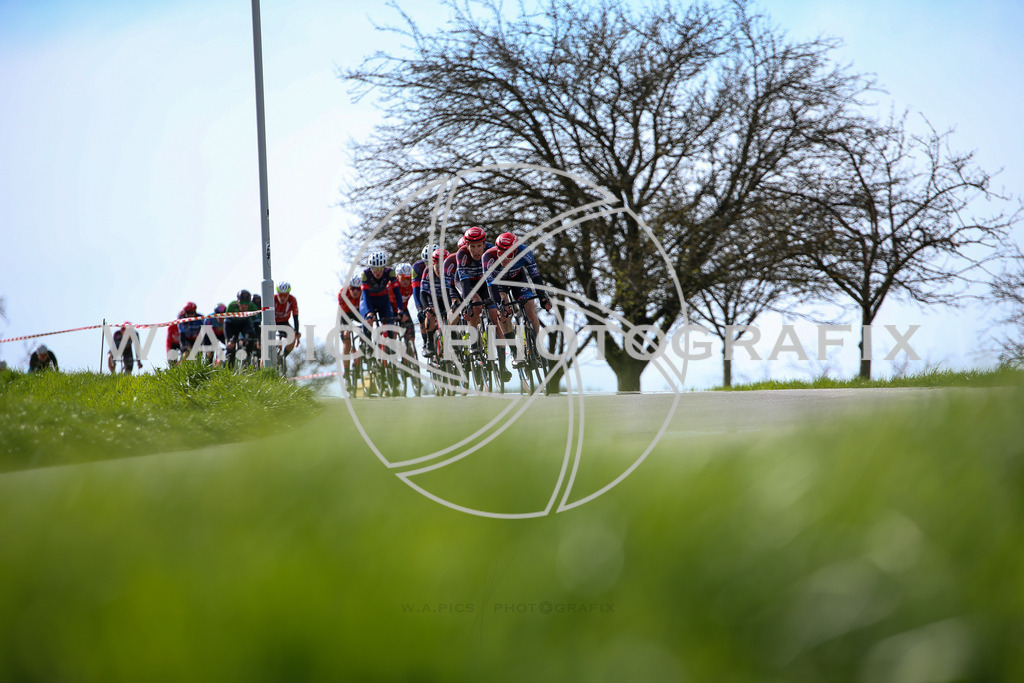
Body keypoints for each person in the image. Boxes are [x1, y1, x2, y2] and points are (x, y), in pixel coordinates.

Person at [451, 226, 512, 381]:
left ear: (484, 244)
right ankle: (474, 341)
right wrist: (468, 303)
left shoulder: (492, 250)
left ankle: (502, 366)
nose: (476, 250)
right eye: (472, 246)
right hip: (467, 284)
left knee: (496, 316)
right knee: (476, 303)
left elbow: (497, 278)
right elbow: (464, 284)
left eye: (479, 246)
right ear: (467, 246)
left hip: (485, 284)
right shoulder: (462, 254)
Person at [484, 232, 552, 366]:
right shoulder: (488, 257)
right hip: (499, 284)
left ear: (515, 251)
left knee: (530, 308)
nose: (503, 258)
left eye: (508, 255)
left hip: (518, 280)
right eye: (500, 253)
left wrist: (542, 297)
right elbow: (491, 286)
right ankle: (515, 351)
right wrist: (499, 307)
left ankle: (537, 346)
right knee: (503, 313)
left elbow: (535, 276)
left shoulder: (524, 252)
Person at [359, 251, 402, 344]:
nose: (378, 272)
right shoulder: (365, 274)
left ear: (384, 267)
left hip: (383, 300)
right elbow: (365, 295)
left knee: (390, 325)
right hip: (368, 300)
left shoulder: (390, 272)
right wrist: (369, 312)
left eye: (380, 268)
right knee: (368, 320)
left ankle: (389, 346)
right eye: (375, 269)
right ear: (370, 268)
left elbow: (397, 293)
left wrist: (400, 309)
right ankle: (368, 345)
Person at [338, 275, 363, 384]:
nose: (356, 291)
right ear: (349, 287)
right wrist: (346, 329)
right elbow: (343, 313)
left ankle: (362, 350)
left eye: (358, 289)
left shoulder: (363, 292)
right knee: (347, 341)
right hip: (345, 313)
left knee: (367, 329)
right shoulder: (342, 293)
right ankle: (347, 371)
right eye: (353, 288)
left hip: (358, 313)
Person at [226, 289, 259, 365]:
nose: (243, 305)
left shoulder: (253, 307)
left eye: (246, 303)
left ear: (249, 303)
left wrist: (258, 340)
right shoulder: (231, 306)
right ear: (237, 301)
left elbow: (256, 325)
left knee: (251, 338)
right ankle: (230, 365)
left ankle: (247, 359)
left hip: (245, 324)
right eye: (241, 302)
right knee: (231, 345)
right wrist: (229, 340)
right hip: (232, 325)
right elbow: (227, 325)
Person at [273, 281, 301, 358]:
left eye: (285, 295)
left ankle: (283, 357)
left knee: (293, 337)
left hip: (284, 322)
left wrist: (296, 331)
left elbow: (295, 317)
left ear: (288, 294)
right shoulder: (272, 299)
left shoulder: (292, 300)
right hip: (272, 322)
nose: (282, 298)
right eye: (280, 295)